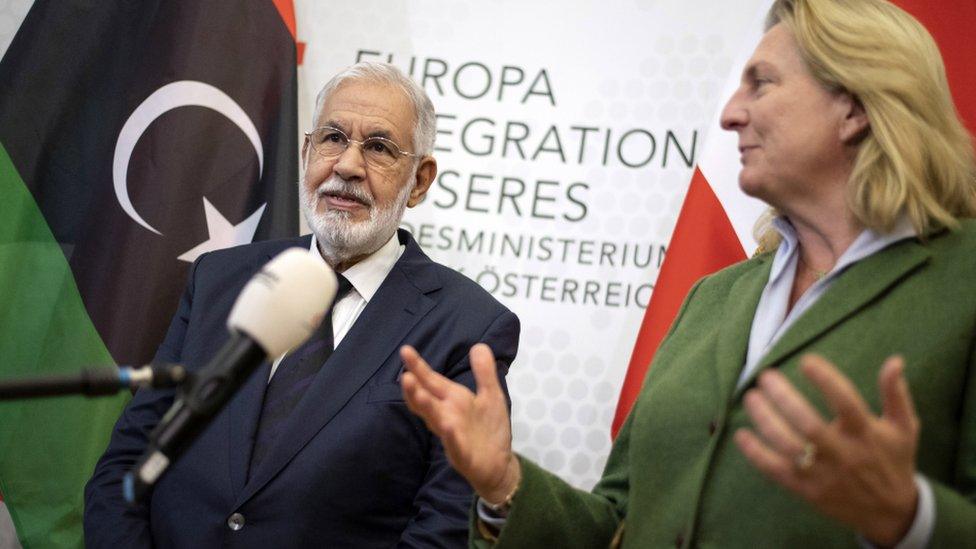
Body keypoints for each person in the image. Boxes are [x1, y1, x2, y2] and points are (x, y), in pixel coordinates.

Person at [399, 0, 976, 547]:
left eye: (763, 83)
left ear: (852, 105)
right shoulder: (715, 297)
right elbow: (622, 524)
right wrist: (504, 484)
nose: (730, 114)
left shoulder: (962, 279)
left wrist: (911, 519)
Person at [84, 62, 520, 548]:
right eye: (333, 138)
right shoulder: (218, 279)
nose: (348, 166)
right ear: (308, 151)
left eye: (378, 148)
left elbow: (444, 529)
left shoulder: (467, 328)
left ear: (418, 182)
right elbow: (128, 465)